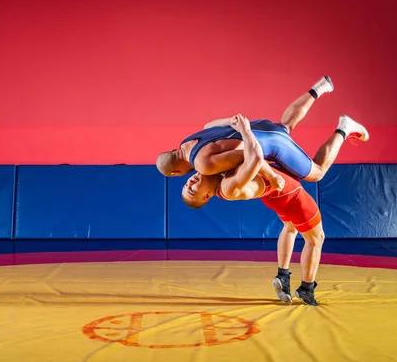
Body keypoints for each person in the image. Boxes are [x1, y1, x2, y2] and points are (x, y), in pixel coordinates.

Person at [181, 114, 370, 305]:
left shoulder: (216, 171)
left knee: (290, 227)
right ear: (206, 196)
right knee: (316, 238)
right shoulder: (228, 187)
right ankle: (306, 288)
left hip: (276, 196)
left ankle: (283, 275)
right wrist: (245, 132)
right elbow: (254, 159)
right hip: (291, 194)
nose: (189, 182)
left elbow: (210, 131)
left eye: (185, 185)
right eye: (191, 191)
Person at [156, 76, 369, 184]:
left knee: (317, 173)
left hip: (270, 144)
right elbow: (208, 126)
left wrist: (271, 175)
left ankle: (344, 128)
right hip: (256, 126)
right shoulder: (186, 142)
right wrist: (232, 120)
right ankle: (320, 87)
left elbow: (251, 156)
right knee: (284, 126)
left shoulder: (202, 164)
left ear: (176, 172)